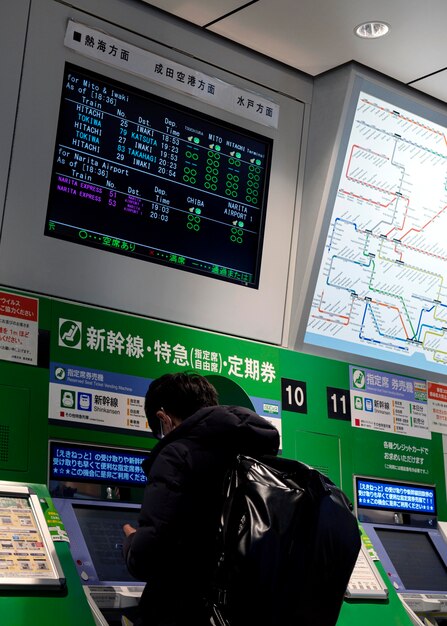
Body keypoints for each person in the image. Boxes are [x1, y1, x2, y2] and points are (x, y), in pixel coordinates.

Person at [122, 371, 280, 626]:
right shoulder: (254, 455)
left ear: (163, 418)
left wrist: (131, 541)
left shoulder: (176, 455)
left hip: (184, 610)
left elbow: (148, 557)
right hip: (241, 611)